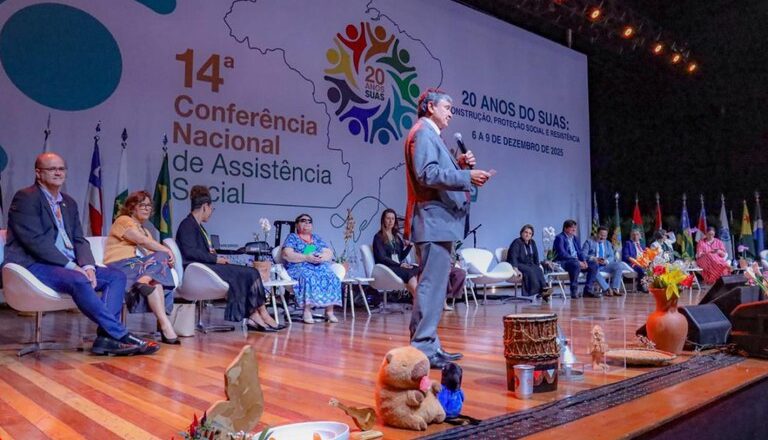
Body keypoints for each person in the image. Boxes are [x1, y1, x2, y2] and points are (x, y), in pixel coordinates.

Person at [3, 152, 158, 355]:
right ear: (38, 173)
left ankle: (105, 339)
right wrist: (73, 267)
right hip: (33, 264)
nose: (58, 173)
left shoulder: (69, 202)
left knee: (116, 276)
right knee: (78, 278)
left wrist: (88, 266)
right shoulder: (26, 198)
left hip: (68, 265)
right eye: (52, 169)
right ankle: (121, 334)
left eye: (61, 169)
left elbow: (79, 239)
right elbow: (35, 242)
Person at [403, 88, 492, 369]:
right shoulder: (423, 133)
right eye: (447, 108)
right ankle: (422, 346)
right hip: (433, 222)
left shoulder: (430, 135)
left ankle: (428, 344)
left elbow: (437, 168)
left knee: (435, 288)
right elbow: (427, 174)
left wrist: (459, 163)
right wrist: (466, 175)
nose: (451, 114)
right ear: (430, 107)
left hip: (439, 224)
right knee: (431, 287)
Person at [176, 186, 283, 332]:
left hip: (206, 267)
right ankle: (259, 314)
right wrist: (215, 259)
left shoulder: (197, 226)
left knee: (250, 272)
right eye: (211, 209)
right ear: (205, 207)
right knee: (250, 273)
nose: (211, 212)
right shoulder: (187, 225)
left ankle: (257, 314)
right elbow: (190, 251)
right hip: (198, 270)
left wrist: (212, 254)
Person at [104, 190, 179, 344]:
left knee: (156, 281)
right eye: (142, 205)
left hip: (139, 267)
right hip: (121, 265)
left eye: (149, 205)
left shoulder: (146, 231)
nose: (147, 208)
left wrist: (165, 260)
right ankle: (165, 326)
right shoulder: (123, 220)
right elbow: (142, 241)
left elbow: (153, 256)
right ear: (132, 207)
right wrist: (166, 251)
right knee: (161, 258)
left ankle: (164, 325)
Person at [281, 213, 342, 324]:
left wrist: (321, 257)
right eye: (303, 220)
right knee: (308, 276)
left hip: (318, 265)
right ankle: (307, 311)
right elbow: (286, 254)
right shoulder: (292, 237)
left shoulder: (316, 238)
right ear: (297, 224)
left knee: (332, 276)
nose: (307, 223)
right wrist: (306, 257)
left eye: (309, 221)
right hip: (299, 266)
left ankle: (329, 312)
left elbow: (328, 252)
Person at [372, 208, 418, 297]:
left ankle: (417, 298)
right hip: (386, 268)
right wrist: (399, 265)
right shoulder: (378, 237)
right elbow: (382, 258)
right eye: (388, 218)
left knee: (416, 269)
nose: (390, 221)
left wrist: (409, 246)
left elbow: (400, 257)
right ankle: (419, 300)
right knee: (409, 273)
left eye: (393, 219)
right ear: (383, 220)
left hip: (397, 266)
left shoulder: (396, 237)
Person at [553, 219, 598, 298]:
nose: (574, 229)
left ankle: (588, 290)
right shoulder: (559, 238)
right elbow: (562, 254)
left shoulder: (575, 238)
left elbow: (580, 252)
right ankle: (574, 290)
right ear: (565, 228)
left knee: (594, 265)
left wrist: (584, 261)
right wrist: (577, 261)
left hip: (576, 262)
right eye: (572, 227)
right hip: (564, 262)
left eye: (575, 228)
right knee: (576, 264)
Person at [506, 224, 552, 301]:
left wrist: (538, 265)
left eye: (530, 233)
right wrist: (515, 269)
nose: (527, 235)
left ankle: (545, 291)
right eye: (526, 232)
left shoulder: (532, 242)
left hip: (529, 264)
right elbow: (513, 257)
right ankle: (540, 291)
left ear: (532, 235)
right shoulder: (516, 242)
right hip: (519, 264)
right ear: (521, 233)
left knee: (538, 270)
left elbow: (535, 255)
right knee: (530, 271)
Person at [582, 226, 625, 297]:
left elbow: (611, 256)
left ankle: (615, 289)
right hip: (593, 265)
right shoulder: (589, 242)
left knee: (618, 265)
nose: (602, 237)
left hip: (605, 265)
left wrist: (606, 261)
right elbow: (583, 254)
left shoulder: (608, 243)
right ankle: (607, 289)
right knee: (594, 269)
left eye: (605, 236)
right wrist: (594, 258)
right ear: (597, 234)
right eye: (601, 235)